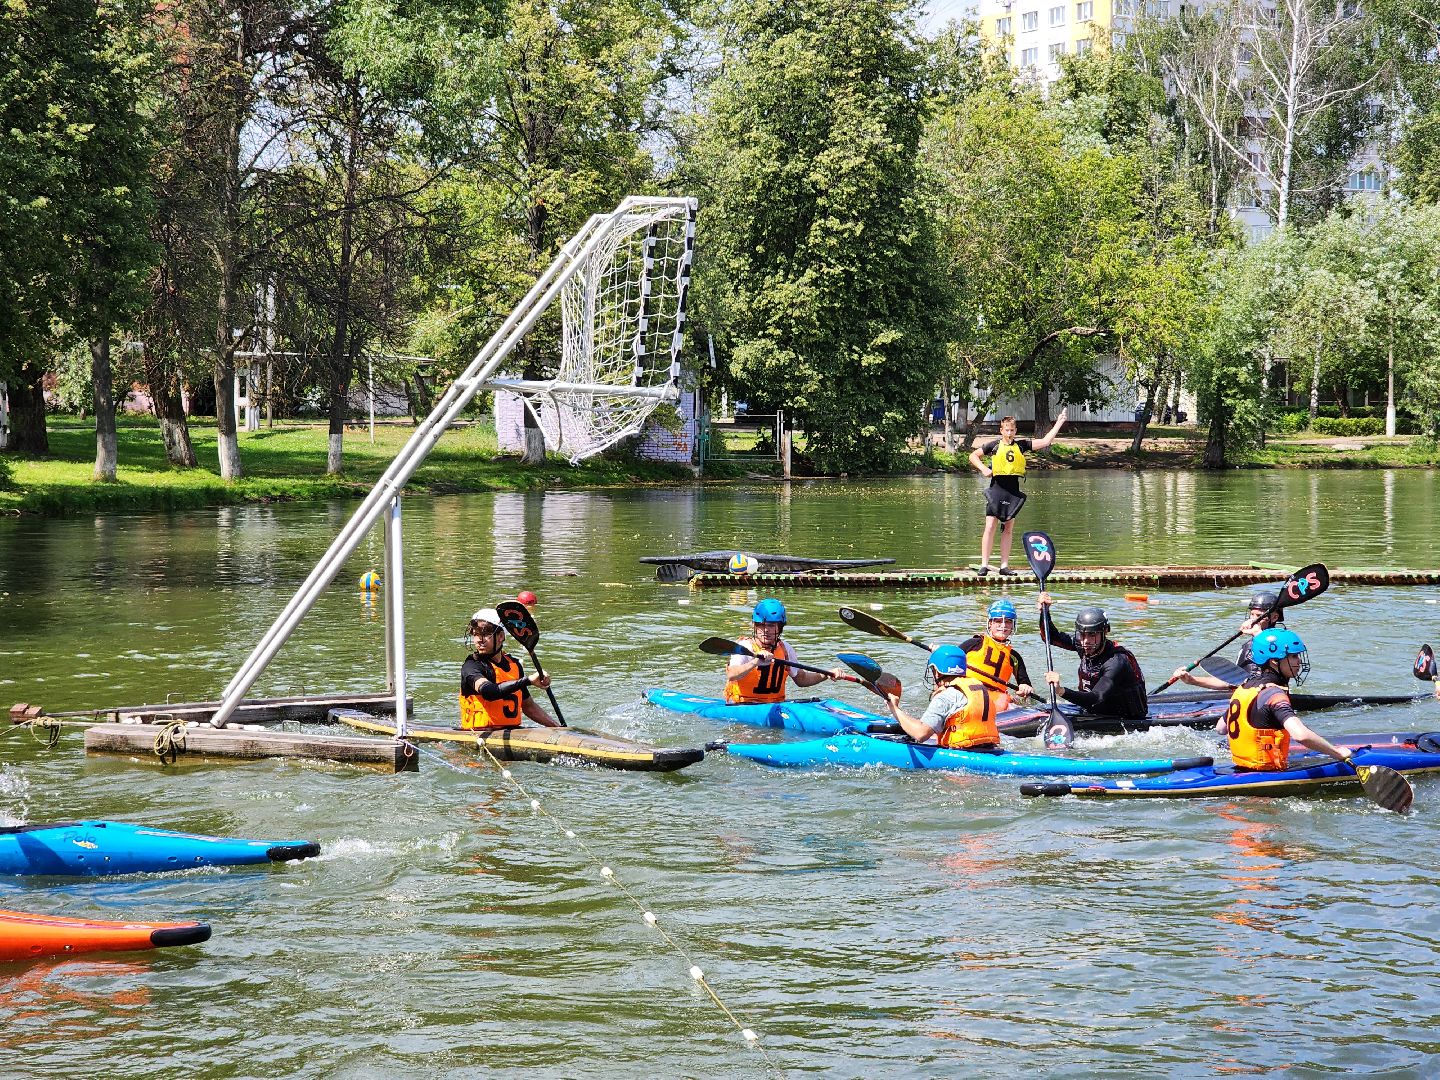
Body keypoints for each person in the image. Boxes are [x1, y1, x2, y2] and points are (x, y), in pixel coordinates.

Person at [1221, 629, 1353, 770]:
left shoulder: (1244, 688)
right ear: (1274, 661)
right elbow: (1301, 735)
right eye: (1294, 656)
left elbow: (1221, 728)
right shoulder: (1274, 695)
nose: (1299, 661)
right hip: (1267, 773)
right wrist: (1337, 753)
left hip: (1239, 767)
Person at [968, 410, 1068, 576]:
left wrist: (1059, 422)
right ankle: (984, 565)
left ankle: (1004, 566)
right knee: (990, 526)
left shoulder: (1021, 445)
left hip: (1012, 491)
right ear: (1001, 431)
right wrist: (984, 469)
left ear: (1015, 431)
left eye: (1012, 430)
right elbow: (973, 456)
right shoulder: (993, 445)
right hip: (996, 489)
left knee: (1008, 528)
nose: (1009, 433)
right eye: (1006, 430)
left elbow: (1046, 441)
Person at [1037, 594, 1148, 722]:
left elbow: (1096, 697)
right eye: (1082, 635)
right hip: (1094, 709)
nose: (1086, 641)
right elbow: (1050, 637)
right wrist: (1044, 611)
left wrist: (1061, 691)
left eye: (1092, 635)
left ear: (1104, 632)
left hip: (1124, 717)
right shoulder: (1083, 645)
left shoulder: (1116, 662)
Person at [724, 598, 845, 704]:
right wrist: (755, 662)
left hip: (777, 705)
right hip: (743, 705)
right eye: (761, 625)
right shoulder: (744, 647)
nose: (766, 630)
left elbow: (801, 679)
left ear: (780, 628)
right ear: (755, 626)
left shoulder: (785, 649)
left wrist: (827, 674)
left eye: (771, 626)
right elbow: (732, 675)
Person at [882, 645, 1001, 750]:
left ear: (937, 672)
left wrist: (894, 708)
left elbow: (920, 734)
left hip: (961, 760)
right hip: (989, 748)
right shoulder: (980, 689)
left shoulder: (946, 697)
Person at [459, 607, 559, 729]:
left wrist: (558, 728)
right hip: (479, 735)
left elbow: (528, 706)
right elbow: (488, 692)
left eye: (485, 634)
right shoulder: (471, 666)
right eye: (475, 634)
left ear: (501, 636)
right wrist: (528, 681)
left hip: (515, 733)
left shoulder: (515, 666)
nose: (479, 640)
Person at [1169, 590, 1285, 692]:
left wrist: (1258, 634)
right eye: (1252, 615)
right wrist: (1192, 680)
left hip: (1270, 698)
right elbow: (1233, 683)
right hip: (1244, 696)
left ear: (1274, 617)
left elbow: (1280, 664)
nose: (1253, 620)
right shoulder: (1247, 646)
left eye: (1259, 616)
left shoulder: (1283, 641)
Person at [954, 599, 1035, 711]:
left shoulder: (1014, 657)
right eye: (998, 621)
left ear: (1013, 625)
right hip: (967, 691)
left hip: (995, 698)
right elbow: (952, 659)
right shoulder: (974, 643)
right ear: (990, 624)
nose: (1003, 626)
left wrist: (1025, 688)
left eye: (1008, 621)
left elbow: (1025, 683)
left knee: (1008, 702)